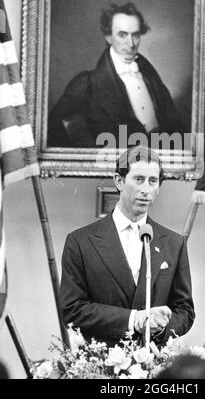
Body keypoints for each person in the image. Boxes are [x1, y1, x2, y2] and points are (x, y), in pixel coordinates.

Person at [60, 146, 195, 346]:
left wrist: (158, 327)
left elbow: (185, 311)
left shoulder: (174, 243)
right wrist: (134, 320)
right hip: (98, 365)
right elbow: (72, 309)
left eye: (153, 181)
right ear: (119, 181)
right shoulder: (80, 242)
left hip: (154, 363)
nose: (145, 190)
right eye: (138, 179)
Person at [48, 2, 185, 147]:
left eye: (136, 35)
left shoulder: (150, 75)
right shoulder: (88, 83)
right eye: (122, 35)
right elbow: (53, 128)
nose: (131, 43)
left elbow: (174, 124)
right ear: (108, 37)